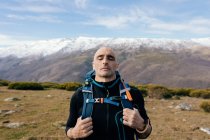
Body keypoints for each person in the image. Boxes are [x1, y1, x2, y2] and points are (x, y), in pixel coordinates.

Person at [65, 47, 152, 140]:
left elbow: (145, 133)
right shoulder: (79, 95)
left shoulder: (133, 93)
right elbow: (68, 128)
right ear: (93, 65)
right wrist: (73, 133)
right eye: (100, 58)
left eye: (110, 58)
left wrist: (141, 125)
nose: (105, 61)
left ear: (116, 65)